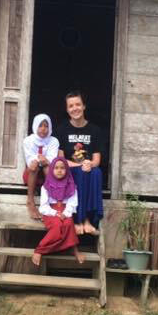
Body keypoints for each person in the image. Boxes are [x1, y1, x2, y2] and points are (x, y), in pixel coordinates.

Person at [55, 90, 104, 235]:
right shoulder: (62, 130)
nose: (75, 108)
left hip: (88, 168)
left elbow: (97, 160)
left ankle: (89, 219)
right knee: (82, 173)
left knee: (97, 172)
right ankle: (78, 220)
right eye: (71, 106)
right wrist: (80, 165)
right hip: (71, 169)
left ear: (84, 107)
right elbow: (61, 160)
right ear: (67, 109)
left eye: (78, 104)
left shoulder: (95, 130)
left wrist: (90, 164)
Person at [32, 157, 85, 267]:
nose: (59, 170)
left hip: (65, 211)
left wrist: (65, 214)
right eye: (56, 168)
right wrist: (55, 213)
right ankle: (40, 249)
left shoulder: (71, 186)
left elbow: (72, 203)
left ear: (67, 170)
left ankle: (74, 249)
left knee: (68, 223)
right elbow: (43, 206)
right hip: (50, 212)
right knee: (57, 226)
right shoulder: (46, 187)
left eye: (62, 168)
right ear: (51, 170)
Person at [22, 113, 60, 220]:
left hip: (47, 175)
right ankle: (30, 201)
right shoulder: (28, 140)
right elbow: (29, 159)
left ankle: (48, 202)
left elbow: (52, 160)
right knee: (34, 166)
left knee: (48, 167)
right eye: (40, 125)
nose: (43, 129)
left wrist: (46, 161)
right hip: (31, 175)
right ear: (35, 126)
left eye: (46, 126)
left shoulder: (53, 141)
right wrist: (39, 160)